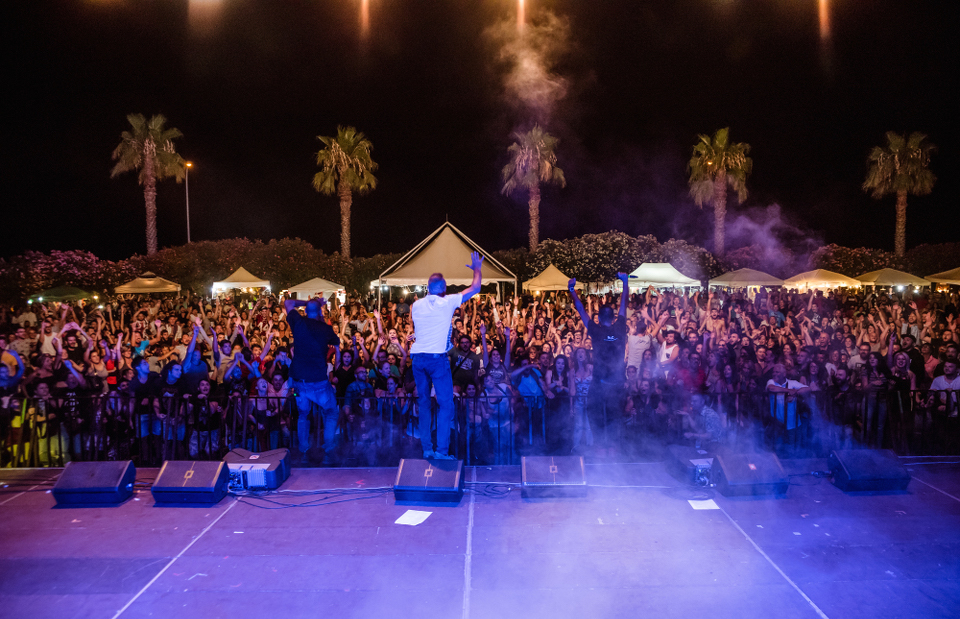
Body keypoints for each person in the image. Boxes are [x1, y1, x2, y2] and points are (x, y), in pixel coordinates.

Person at [410, 251, 483, 459]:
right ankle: (441, 451)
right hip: (436, 360)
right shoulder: (447, 302)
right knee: (446, 404)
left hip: (417, 358)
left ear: (427, 288)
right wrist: (476, 268)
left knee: (424, 403)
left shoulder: (416, 305)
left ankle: (426, 449)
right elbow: (476, 288)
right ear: (443, 289)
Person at [569, 272, 630, 456]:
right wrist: (625, 282)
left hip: (600, 384)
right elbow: (624, 305)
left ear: (599, 319)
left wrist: (572, 290)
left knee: (594, 414)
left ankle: (600, 449)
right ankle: (613, 451)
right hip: (617, 384)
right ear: (613, 317)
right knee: (614, 418)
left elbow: (580, 310)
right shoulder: (619, 327)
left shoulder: (595, 330)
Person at [284, 296, 341, 465]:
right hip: (318, 382)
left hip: (300, 382)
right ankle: (328, 451)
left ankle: (303, 452)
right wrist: (320, 314)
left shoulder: (298, 322)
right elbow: (335, 342)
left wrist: (309, 303)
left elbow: (288, 303)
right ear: (320, 312)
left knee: (303, 414)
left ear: (306, 311)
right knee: (331, 412)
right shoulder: (325, 328)